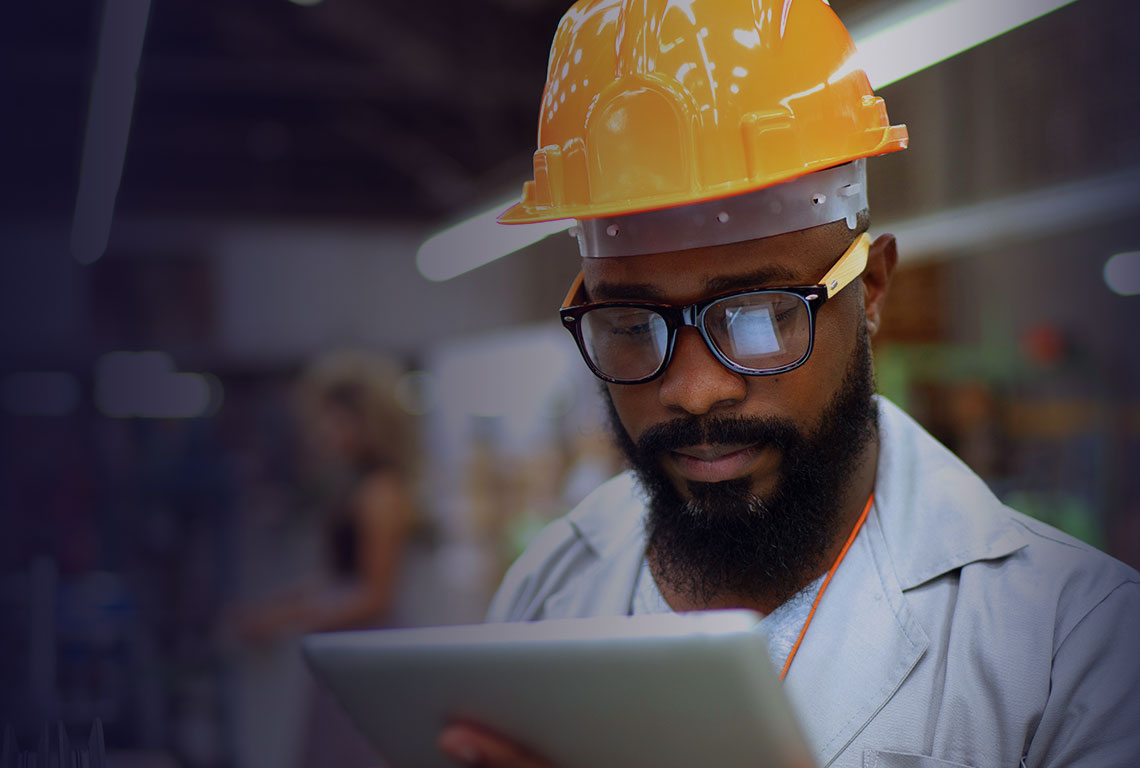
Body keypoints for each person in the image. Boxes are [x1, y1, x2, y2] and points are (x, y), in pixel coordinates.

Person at [433, 1, 1140, 766]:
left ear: (869, 289)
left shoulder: (1077, 646)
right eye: (634, 325)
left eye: (760, 317)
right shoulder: (551, 587)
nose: (696, 392)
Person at [229, 349, 420, 768]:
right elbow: (338, 576)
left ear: (363, 421)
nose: (322, 431)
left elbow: (375, 596)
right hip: (347, 650)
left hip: (366, 654)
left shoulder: (380, 492)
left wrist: (287, 621)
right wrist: (280, 608)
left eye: (333, 419)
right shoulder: (354, 486)